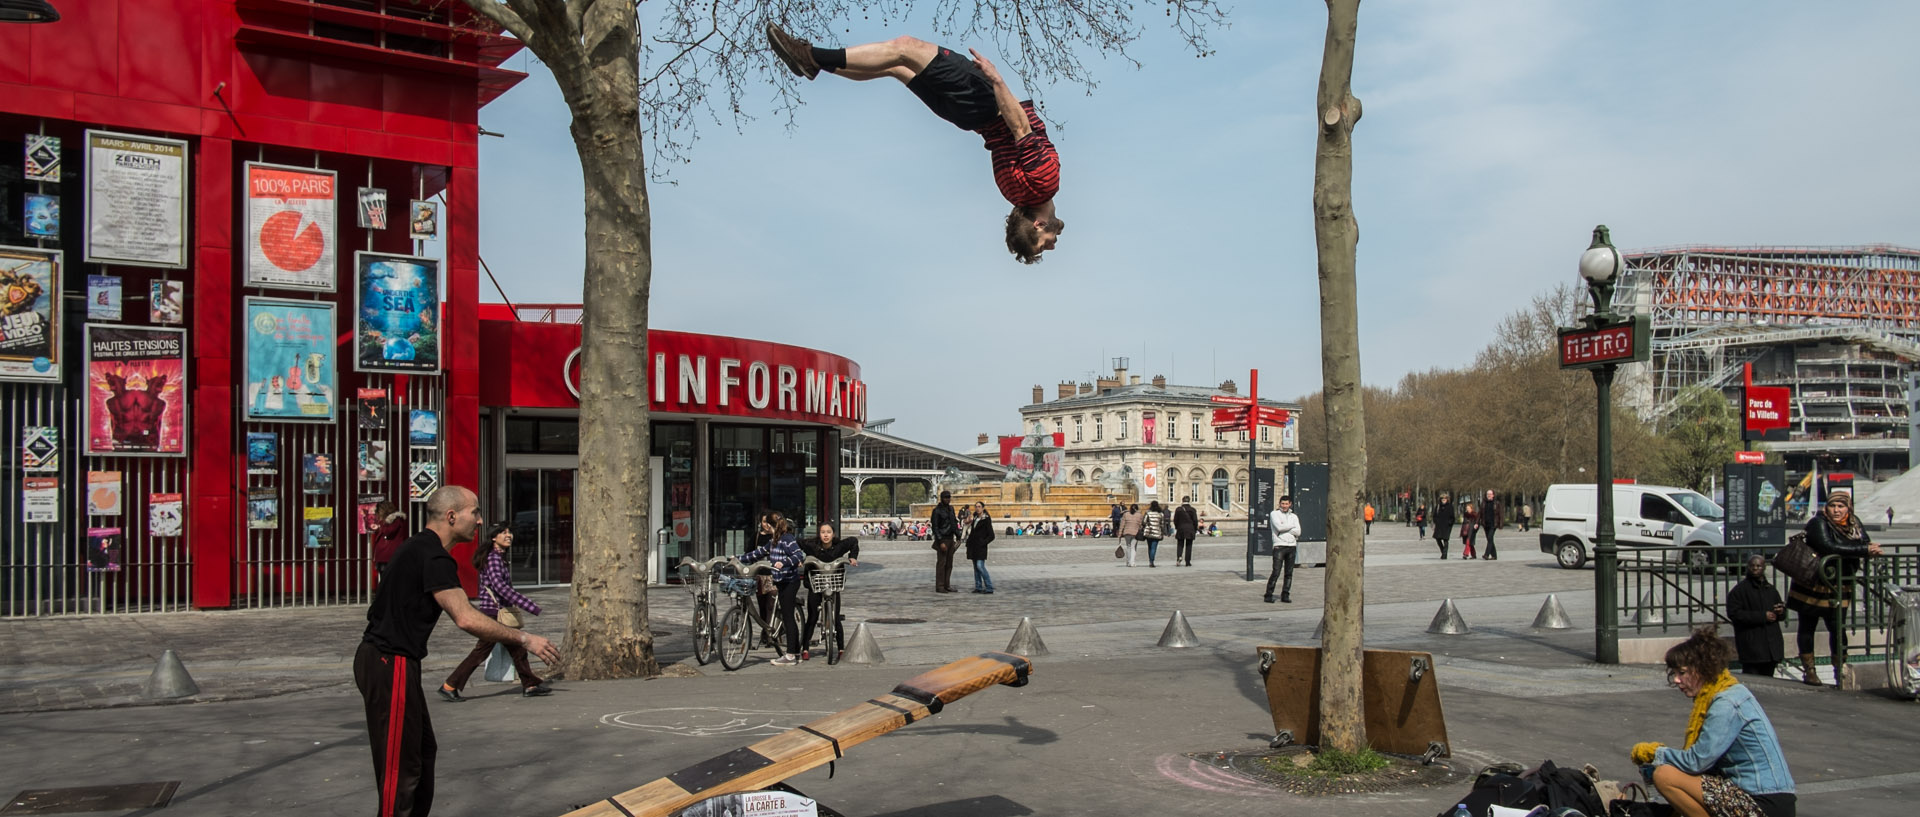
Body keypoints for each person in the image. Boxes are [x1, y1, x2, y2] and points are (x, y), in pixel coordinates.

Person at [766, 25, 1063, 264]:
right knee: (897, 68)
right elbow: (1004, 141)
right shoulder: (1011, 194)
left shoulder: (1045, 184)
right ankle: (817, 67)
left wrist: (996, 80)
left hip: (984, 102)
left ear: (1038, 225)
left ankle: (810, 56)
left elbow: (1020, 127)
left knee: (905, 48)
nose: (1052, 246)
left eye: (1044, 246)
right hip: (968, 117)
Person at [355, 486, 560, 817]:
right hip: (387, 661)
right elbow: (465, 618)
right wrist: (525, 639)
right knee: (401, 769)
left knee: (422, 753)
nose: (479, 521)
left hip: (395, 661)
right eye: (474, 512)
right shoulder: (432, 555)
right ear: (452, 516)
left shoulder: (421, 549)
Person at [1630, 624, 1796, 817]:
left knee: (1665, 776)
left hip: (1764, 802)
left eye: (1682, 673)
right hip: (1754, 796)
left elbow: (1697, 761)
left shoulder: (1726, 703)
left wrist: (1654, 753)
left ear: (1702, 669)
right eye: (1674, 673)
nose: (1676, 680)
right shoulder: (1726, 692)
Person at [440, 524, 551, 699]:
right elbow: (500, 587)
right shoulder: (493, 559)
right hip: (494, 614)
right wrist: (529, 606)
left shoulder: (498, 557)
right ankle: (450, 685)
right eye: (503, 533)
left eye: (509, 532)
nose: (509, 535)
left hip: (496, 612)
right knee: (482, 652)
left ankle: (530, 685)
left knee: (517, 650)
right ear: (493, 538)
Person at [1786, 490, 1883, 688]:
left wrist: (1868, 548)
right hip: (1812, 582)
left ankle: (1840, 670)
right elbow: (1829, 547)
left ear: (1848, 508)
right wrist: (1863, 550)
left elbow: (1864, 541)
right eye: (1833, 506)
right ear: (1826, 507)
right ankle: (1810, 670)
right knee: (1807, 626)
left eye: (1841, 506)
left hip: (1840, 583)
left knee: (1838, 627)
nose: (1837, 510)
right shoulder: (1818, 523)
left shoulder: (1853, 523)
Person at [741, 514, 806, 666]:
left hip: (790, 582)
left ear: (770, 526)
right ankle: (796, 652)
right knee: (787, 615)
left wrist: (784, 562)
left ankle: (790, 656)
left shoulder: (787, 539)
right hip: (781, 581)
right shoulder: (773, 542)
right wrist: (736, 559)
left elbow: (798, 555)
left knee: (788, 616)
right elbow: (757, 554)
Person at [799, 522, 860, 660]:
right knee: (813, 616)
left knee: (836, 617)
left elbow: (853, 541)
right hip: (816, 584)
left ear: (833, 534)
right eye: (822, 532)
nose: (826, 535)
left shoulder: (838, 547)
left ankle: (841, 648)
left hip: (833, 584)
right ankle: (805, 648)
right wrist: (799, 559)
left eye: (828, 532)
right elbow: (797, 544)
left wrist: (853, 556)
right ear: (819, 534)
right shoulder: (812, 546)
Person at [1726, 554, 1786, 678]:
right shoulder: (1739, 591)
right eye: (1752, 566)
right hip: (1752, 649)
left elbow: (1781, 612)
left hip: (1771, 650)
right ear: (1748, 567)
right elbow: (1735, 614)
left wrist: (1780, 612)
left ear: (1764, 567)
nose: (1755, 568)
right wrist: (1762, 616)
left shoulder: (1771, 589)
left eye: (1758, 566)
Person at [1265, 495, 1301, 603]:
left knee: (1289, 573)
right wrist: (1291, 527)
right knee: (1276, 571)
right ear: (1279, 504)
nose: (1284, 506)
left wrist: (1285, 527)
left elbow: (1298, 532)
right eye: (1282, 503)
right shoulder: (1274, 514)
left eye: (1286, 504)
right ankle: (1268, 594)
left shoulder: (1294, 516)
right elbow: (1278, 528)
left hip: (1292, 546)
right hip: (1279, 546)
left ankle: (1285, 594)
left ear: (1290, 504)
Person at [931, 491, 960, 593]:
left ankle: (947, 585)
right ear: (941, 498)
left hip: (950, 538)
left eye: (949, 497)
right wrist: (940, 542)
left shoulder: (951, 509)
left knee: (949, 564)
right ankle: (940, 586)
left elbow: (953, 524)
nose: (948, 499)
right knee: (941, 564)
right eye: (946, 497)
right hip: (942, 539)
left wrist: (958, 535)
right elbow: (935, 527)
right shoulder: (937, 511)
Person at [966, 502, 996, 593]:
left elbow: (991, 535)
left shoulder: (986, 519)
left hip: (981, 547)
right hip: (973, 546)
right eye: (976, 507)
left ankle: (989, 586)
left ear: (983, 508)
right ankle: (978, 586)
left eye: (979, 507)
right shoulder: (974, 518)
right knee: (976, 567)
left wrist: (983, 542)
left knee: (980, 566)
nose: (977, 508)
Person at [1141, 500, 1170, 568]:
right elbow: (1162, 524)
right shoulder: (1160, 514)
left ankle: (1150, 561)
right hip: (1157, 532)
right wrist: (1163, 532)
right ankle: (1152, 561)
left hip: (1149, 532)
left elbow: (1144, 522)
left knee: (1149, 547)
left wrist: (1148, 524)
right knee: (1154, 548)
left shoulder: (1148, 513)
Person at [1173, 496, 1201, 567]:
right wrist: (1195, 529)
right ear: (1189, 501)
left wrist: (1177, 527)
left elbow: (1175, 520)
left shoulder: (1178, 509)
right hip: (1190, 529)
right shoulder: (1192, 510)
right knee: (1189, 545)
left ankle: (1179, 556)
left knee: (1180, 544)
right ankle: (1187, 561)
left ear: (1182, 501)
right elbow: (1195, 520)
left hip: (1181, 528)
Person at [1479, 490, 1504, 561]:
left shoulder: (1497, 503)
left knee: (1490, 538)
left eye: (1490, 494)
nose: (1489, 495)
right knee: (1490, 540)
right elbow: (1480, 513)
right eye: (1487, 494)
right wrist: (1477, 522)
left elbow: (1501, 514)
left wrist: (1501, 524)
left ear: (1493, 495)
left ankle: (1486, 554)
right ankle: (1494, 555)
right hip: (1485, 524)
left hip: (1493, 524)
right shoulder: (1483, 503)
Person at [1432, 493, 1456, 559]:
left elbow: (1453, 517)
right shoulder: (1438, 506)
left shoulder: (1450, 506)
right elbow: (1434, 515)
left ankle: (1444, 554)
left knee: (1445, 540)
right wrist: (1436, 521)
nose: (1443, 500)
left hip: (1447, 526)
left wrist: (1450, 523)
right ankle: (1443, 551)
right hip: (1439, 526)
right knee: (1438, 539)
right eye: (1442, 499)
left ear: (1447, 499)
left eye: (1445, 499)